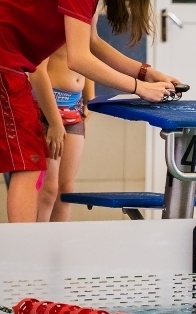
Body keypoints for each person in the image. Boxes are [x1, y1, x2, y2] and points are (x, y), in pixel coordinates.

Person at [0, 0, 181, 223]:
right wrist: (139, 88)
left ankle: (27, 249)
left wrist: (145, 73)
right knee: (28, 166)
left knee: (42, 174)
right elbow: (78, 59)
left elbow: (93, 42)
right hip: (7, 62)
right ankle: (24, 251)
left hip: (13, 65)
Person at [29, 45, 95, 222]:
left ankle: (58, 245)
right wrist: (54, 122)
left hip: (75, 110)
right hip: (48, 111)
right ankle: (38, 242)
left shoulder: (85, 22)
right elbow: (37, 71)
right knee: (48, 188)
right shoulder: (51, 20)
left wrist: (90, 99)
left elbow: (86, 57)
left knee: (66, 189)